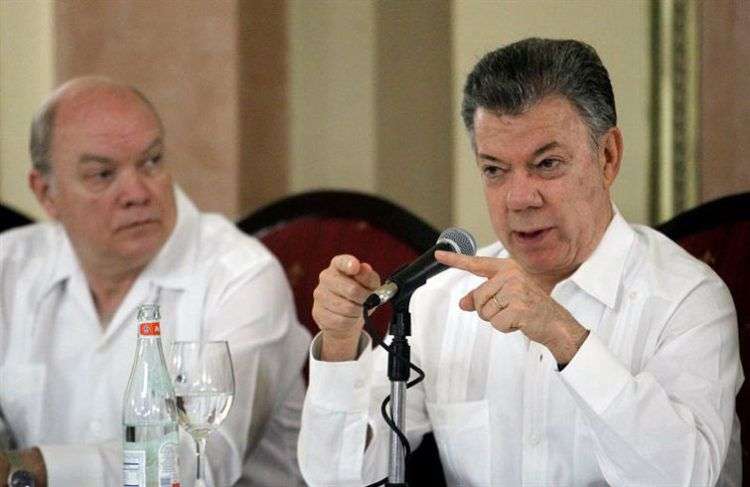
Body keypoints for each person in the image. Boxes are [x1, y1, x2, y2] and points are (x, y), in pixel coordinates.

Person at [297, 38, 743, 486]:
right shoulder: (445, 296)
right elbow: (338, 479)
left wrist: (565, 337)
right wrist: (340, 343)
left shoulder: (686, 299)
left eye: (547, 164)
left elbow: (682, 478)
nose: (520, 198)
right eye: (494, 170)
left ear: (607, 157)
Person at [0, 77, 311, 486]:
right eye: (102, 174)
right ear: (47, 194)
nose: (137, 192)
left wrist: (33, 469)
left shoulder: (240, 275)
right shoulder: (9, 266)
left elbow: (204, 460)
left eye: (151, 161)